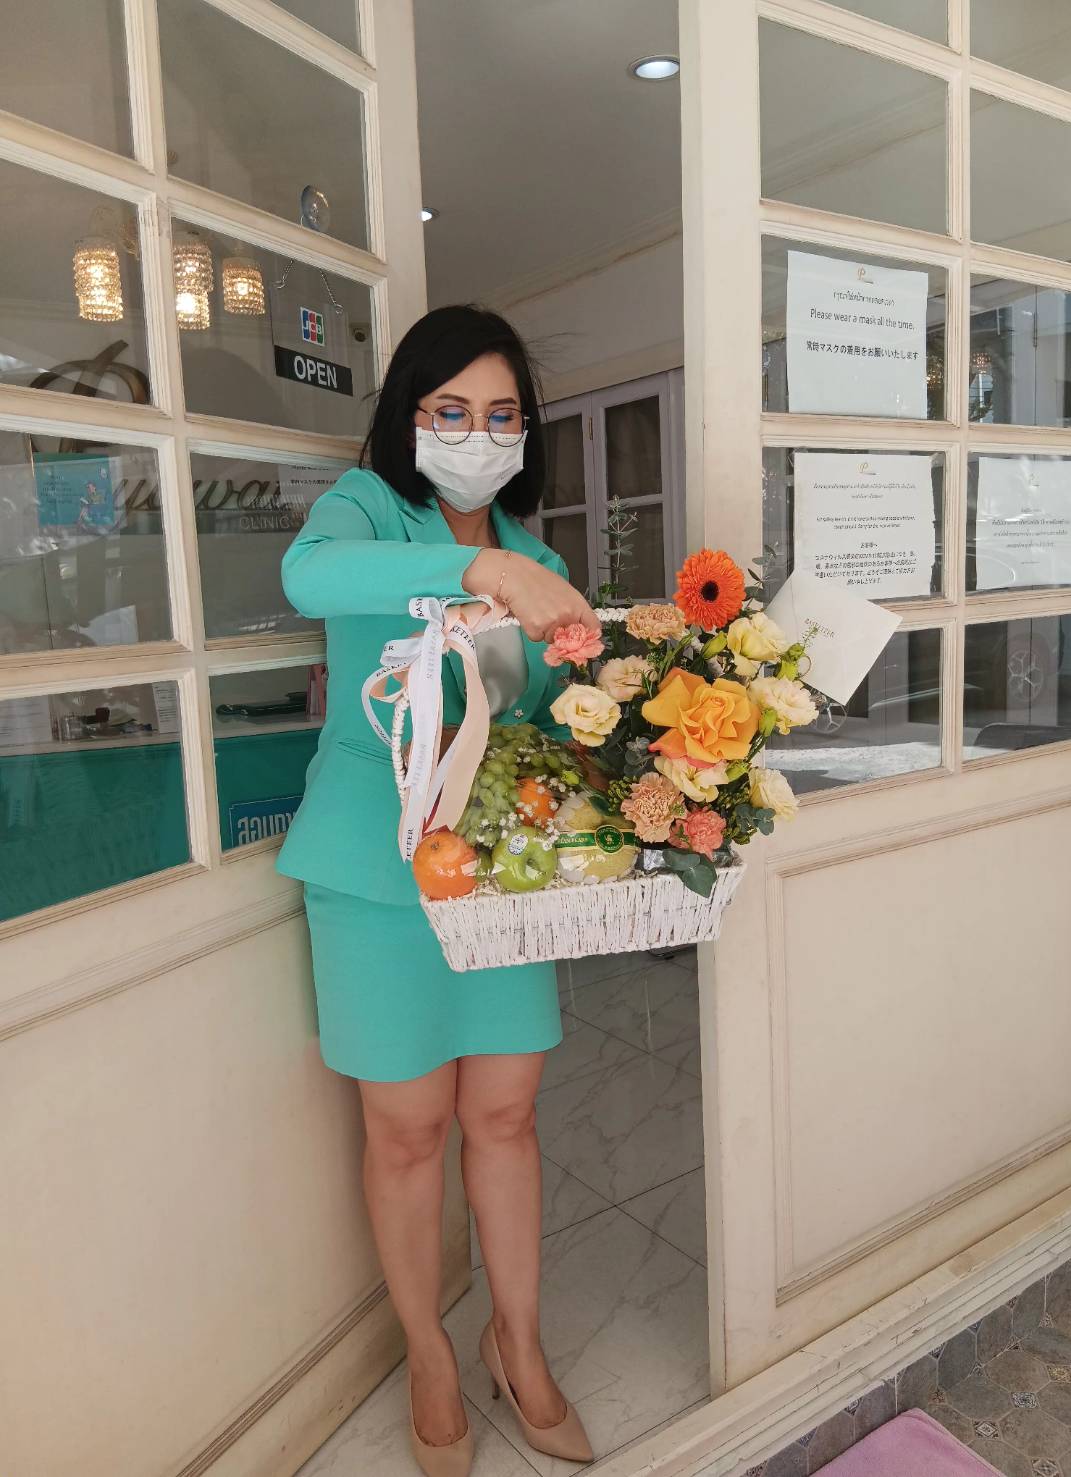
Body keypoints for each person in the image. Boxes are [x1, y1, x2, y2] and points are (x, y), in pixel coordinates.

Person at [276, 305, 600, 1476]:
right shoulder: (366, 511)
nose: (478, 432)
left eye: (501, 413)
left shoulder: (542, 555)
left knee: (504, 1114)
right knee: (405, 1129)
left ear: (526, 428)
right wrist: (479, 565)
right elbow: (306, 576)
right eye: (451, 411)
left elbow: (534, 715)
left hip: (499, 866)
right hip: (370, 863)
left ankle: (516, 1341)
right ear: (408, 417)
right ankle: (428, 1351)